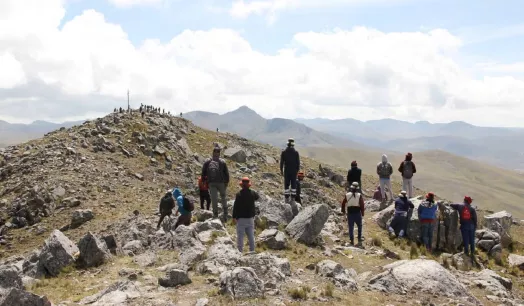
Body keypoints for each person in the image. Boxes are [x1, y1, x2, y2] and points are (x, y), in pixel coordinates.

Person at [201, 145, 230, 221]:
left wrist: (204, 181)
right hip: (221, 183)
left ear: (213, 152)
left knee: (214, 199)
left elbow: (203, 172)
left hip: (211, 183)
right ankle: (225, 214)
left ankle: (215, 215)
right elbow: (226, 173)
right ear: (219, 153)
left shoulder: (208, 161)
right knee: (223, 197)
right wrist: (226, 182)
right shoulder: (222, 162)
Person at [232, 177, 260, 253]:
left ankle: (240, 251)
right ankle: (252, 250)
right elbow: (257, 197)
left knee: (240, 236)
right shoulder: (252, 193)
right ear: (249, 185)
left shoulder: (238, 194)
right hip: (250, 219)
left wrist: (234, 217)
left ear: (241, 185)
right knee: (251, 236)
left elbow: (236, 206)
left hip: (241, 219)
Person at [341, 182, 365, 246]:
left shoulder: (347, 195)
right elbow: (362, 205)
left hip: (350, 213)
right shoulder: (359, 195)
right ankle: (359, 238)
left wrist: (343, 211)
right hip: (357, 212)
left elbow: (343, 203)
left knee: (351, 227)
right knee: (359, 226)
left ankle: (351, 240)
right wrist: (362, 213)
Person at [280, 138, 300, 203]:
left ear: (287, 144)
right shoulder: (296, 153)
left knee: (286, 184)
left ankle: (286, 198)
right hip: (294, 171)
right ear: (293, 145)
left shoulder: (284, 152)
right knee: (293, 184)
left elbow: (281, 163)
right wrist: (297, 171)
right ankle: (293, 198)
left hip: (287, 171)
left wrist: (281, 171)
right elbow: (298, 164)